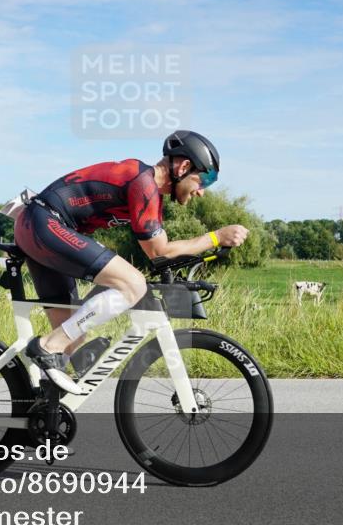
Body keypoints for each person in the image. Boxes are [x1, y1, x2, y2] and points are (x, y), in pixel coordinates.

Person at [13, 130, 248, 394]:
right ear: (183, 166)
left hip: (41, 227)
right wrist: (216, 237)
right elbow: (159, 251)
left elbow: (160, 249)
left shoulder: (149, 191)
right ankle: (46, 346)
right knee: (132, 284)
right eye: (204, 179)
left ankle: (40, 415)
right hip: (45, 223)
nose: (202, 191)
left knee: (72, 340)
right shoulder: (143, 182)